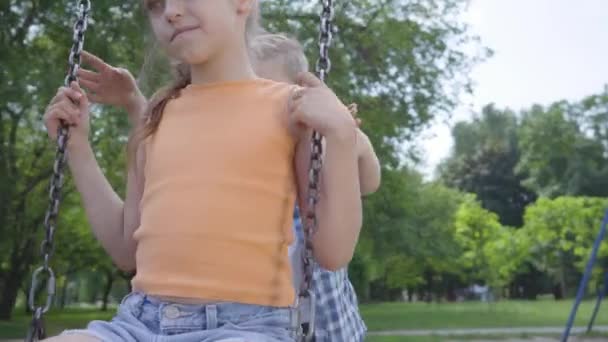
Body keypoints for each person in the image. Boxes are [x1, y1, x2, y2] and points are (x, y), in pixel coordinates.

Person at [42, 0, 362, 341]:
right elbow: (126, 249)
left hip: (248, 328)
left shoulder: (292, 108)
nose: (170, 12)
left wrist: (341, 136)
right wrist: (77, 147)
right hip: (138, 324)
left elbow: (332, 251)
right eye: (155, 5)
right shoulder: (156, 118)